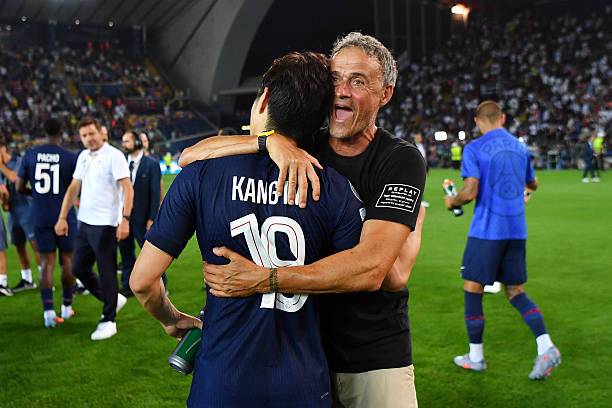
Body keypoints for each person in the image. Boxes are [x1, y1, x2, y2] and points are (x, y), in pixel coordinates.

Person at [180, 32, 427, 407]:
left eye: (358, 82)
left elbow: (373, 270)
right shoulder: (302, 145)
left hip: (372, 357)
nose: (341, 91)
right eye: (335, 78)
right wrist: (267, 141)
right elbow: (190, 155)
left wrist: (266, 278)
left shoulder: (399, 159)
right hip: (306, 358)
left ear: (385, 94)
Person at [131, 51, 364, 406]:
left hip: (222, 384)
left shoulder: (201, 174)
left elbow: (142, 281)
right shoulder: (333, 188)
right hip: (302, 384)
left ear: (264, 99)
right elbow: (356, 277)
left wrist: (171, 318)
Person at [444, 100, 561, 380]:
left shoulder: (474, 148)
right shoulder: (520, 148)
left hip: (487, 231)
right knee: (515, 291)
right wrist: (523, 192)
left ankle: (476, 357)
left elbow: (470, 191)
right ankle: (546, 346)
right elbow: (533, 184)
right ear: (503, 118)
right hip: (516, 231)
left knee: (473, 287)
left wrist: (452, 201)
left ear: (477, 121)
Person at [55, 117, 133, 340]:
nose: (88, 138)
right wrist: (62, 217)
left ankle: (109, 320)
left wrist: (125, 219)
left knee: (107, 272)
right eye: (84, 135)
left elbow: (128, 189)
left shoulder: (114, 156)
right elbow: (73, 187)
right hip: (85, 222)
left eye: (91, 133)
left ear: (101, 132)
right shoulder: (83, 156)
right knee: (78, 268)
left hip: (106, 224)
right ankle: (113, 300)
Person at [16, 118, 78, 327]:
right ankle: (67, 307)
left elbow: (18, 186)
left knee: (46, 264)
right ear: (62, 132)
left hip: (40, 215)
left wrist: (35, 194)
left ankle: (49, 314)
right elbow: (76, 187)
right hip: (64, 215)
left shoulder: (30, 155)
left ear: (44, 132)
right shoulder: (69, 157)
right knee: (67, 260)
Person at [118, 130, 162, 297]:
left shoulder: (151, 164)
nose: (124, 144)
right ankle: (127, 285)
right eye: (123, 141)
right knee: (125, 253)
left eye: (127, 141)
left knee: (150, 254)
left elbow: (155, 194)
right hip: (123, 218)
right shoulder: (121, 161)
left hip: (143, 219)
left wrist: (152, 218)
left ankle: (160, 284)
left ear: (137, 142)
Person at [0, 140, 40, 293]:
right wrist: (5, 202)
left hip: (27, 208)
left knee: (35, 243)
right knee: (19, 245)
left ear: (3, 148)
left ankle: (45, 278)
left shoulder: (18, 161)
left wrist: (1, 166)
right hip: (13, 211)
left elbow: (14, 178)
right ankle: (27, 279)